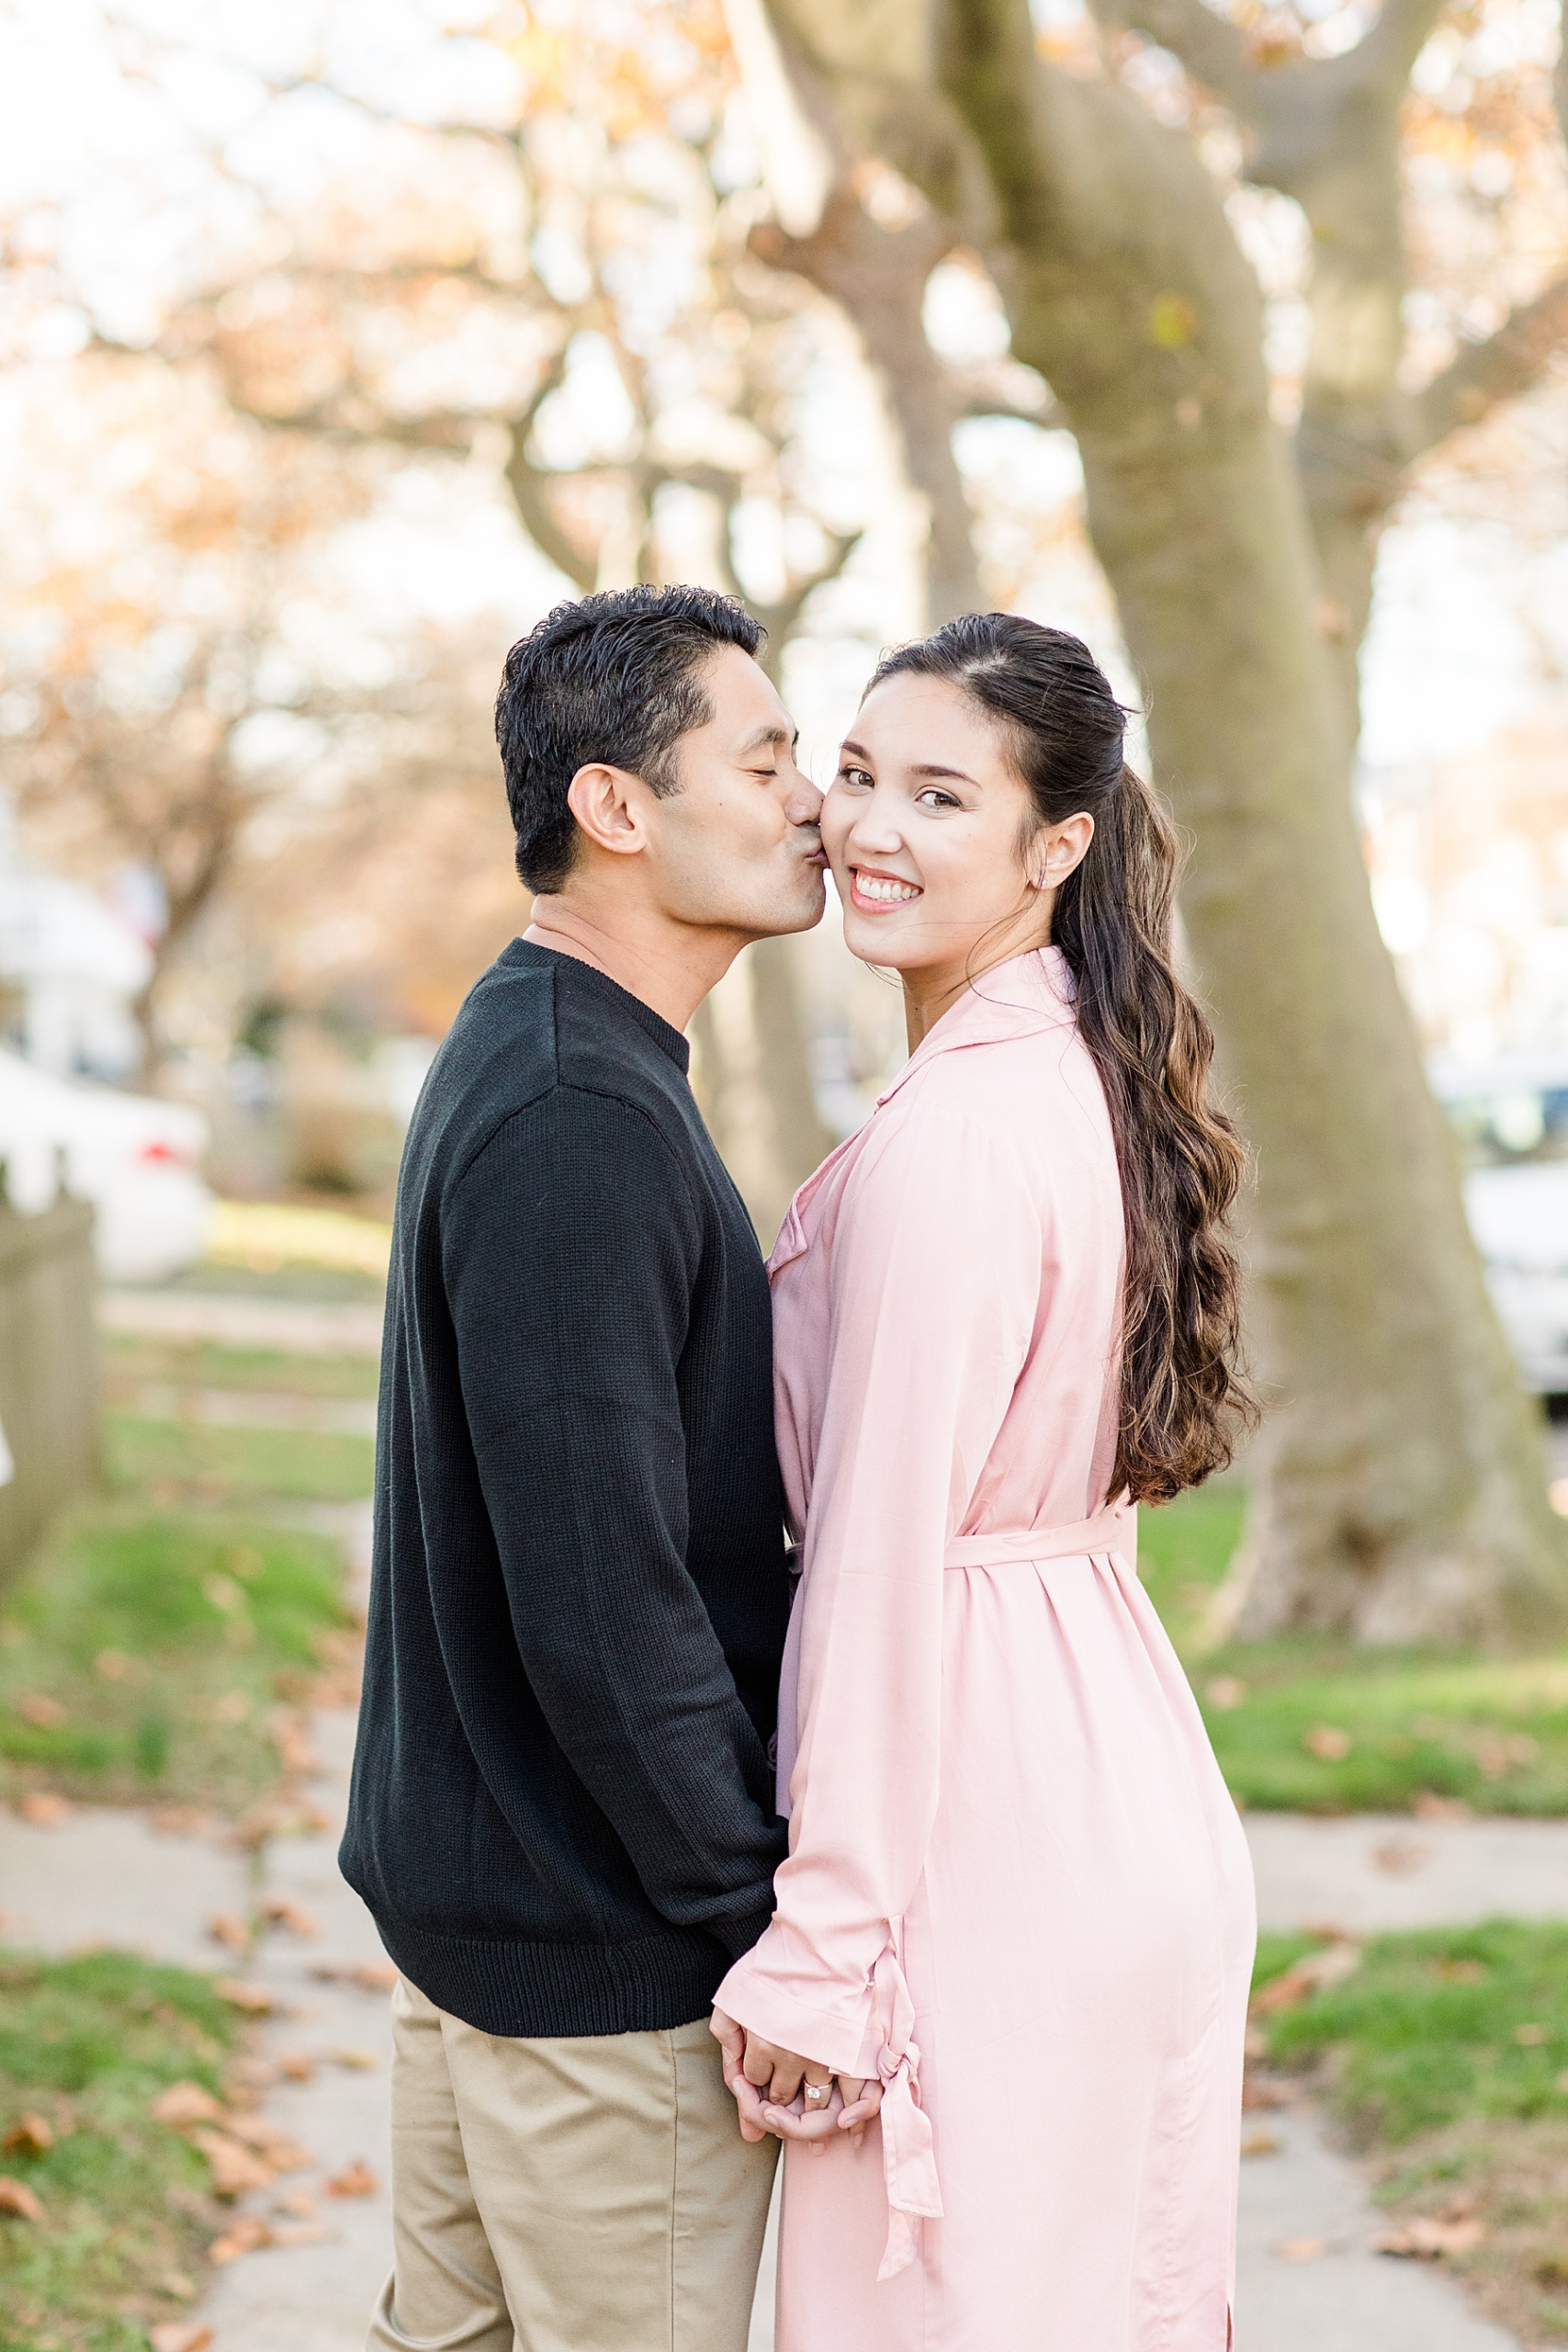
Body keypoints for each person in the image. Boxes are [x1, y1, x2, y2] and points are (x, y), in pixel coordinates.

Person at [710, 613, 1258, 2350]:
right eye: (856, 775)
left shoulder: (958, 1135)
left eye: (942, 795)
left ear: (1058, 844)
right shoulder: (1078, 1077)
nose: (870, 828)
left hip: (985, 1837)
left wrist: (824, 1944)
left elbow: (880, 1569)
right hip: (1120, 1782)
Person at [340, 583, 829, 2352]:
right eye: (766, 759)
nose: (814, 806)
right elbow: (602, 1594)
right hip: (596, 1971)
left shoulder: (557, 1052)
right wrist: (751, 1910)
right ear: (617, 806)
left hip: (504, 1921)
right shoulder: (576, 1112)